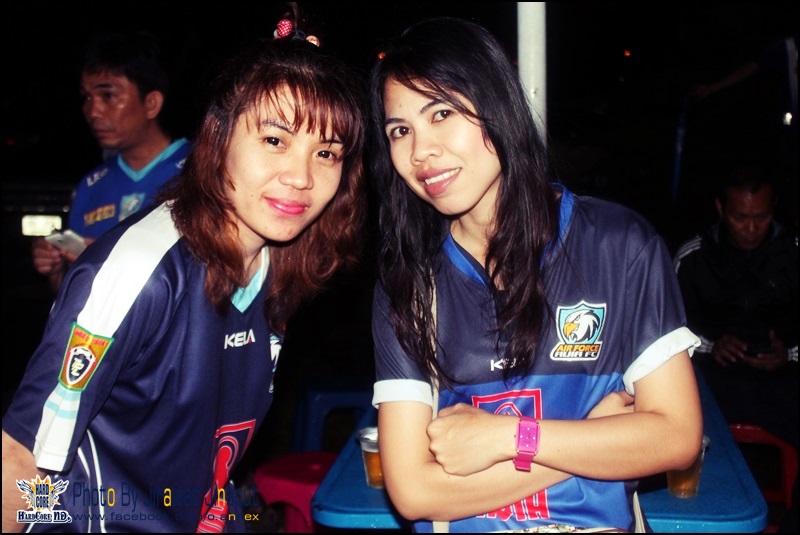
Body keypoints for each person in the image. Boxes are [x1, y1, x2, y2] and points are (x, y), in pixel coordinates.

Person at [2, 27, 366, 533]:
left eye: (326, 153)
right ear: (219, 139)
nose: (301, 177)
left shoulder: (276, 262)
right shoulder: (138, 270)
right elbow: (20, 461)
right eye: (274, 140)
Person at [368, 17, 703, 533]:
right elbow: (414, 493)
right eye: (400, 130)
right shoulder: (410, 285)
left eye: (442, 113)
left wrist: (508, 438)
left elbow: (676, 438)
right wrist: (585, 439)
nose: (420, 151)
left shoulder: (618, 246)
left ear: (498, 105)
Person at [30, 30, 192, 292]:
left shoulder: (200, 172)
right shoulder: (90, 186)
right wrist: (56, 268)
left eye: (108, 96)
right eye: (87, 97)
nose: (92, 111)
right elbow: (75, 296)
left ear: (151, 103)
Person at [673, 163, 798, 447]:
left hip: (785, 383)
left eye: (762, 217)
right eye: (740, 217)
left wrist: (788, 355)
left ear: (774, 207)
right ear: (721, 208)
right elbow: (665, 332)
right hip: (713, 384)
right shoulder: (693, 258)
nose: (751, 228)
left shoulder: (792, 253)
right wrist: (711, 346)